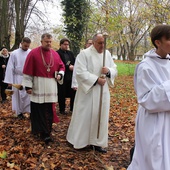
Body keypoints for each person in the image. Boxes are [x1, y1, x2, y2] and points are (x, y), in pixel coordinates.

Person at [127, 24, 170, 170]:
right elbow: (146, 99)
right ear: (158, 42)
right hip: (154, 121)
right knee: (154, 157)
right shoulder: (145, 66)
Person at [66, 33, 117, 153]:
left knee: (100, 116)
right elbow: (80, 72)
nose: (102, 45)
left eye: (104, 43)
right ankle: (80, 141)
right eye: (100, 43)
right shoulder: (84, 54)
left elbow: (114, 68)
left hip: (102, 91)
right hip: (88, 92)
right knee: (85, 116)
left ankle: (97, 142)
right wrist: (96, 80)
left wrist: (109, 71)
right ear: (93, 42)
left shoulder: (107, 54)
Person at [22, 33, 65, 144]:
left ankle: (46, 132)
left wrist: (60, 74)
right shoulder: (33, 53)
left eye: (50, 41)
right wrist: (28, 86)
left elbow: (61, 66)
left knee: (48, 109)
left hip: (51, 85)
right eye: (46, 41)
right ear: (41, 41)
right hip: (38, 85)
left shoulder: (55, 54)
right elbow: (28, 70)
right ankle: (38, 130)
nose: (49, 43)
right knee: (38, 109)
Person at [4, 37, 31, 118]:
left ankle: (29, 111)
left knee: (28, 95)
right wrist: (9, 80)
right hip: (17, 77)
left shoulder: (30, 52)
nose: (26, 48)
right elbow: (10, 67)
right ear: (21, 43)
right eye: (25, 46)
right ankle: (19, 112)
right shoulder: (14, 53)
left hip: (28, 77)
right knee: (18, 95)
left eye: (28, 46)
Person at [57, 38, 75, 114]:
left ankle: (72, 109)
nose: (66, 46)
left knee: (72, 93)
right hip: (62, 76)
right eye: (65, 44)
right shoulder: (57, 53)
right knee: (62, 93)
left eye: (67, 44)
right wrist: (68, 67)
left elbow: (74, 62)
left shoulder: (70, 53)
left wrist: (73, 67)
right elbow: (58, 64)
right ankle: (62, 109)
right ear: (61, 44)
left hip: (70, 76)